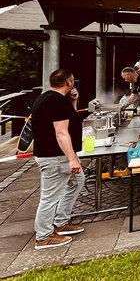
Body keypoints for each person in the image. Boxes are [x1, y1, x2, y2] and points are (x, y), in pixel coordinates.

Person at [30, 69, 85, 249]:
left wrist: (73, 101)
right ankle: (43, 236)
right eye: (72, 80)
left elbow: (70, 120)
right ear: (69, 82)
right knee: (50, 197)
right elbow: (61, 133)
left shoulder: (50, 98)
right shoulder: (56, 101)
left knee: (77, 181)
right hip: (54, 156)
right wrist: (72, 159)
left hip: (55, 155)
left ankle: (61, 221)